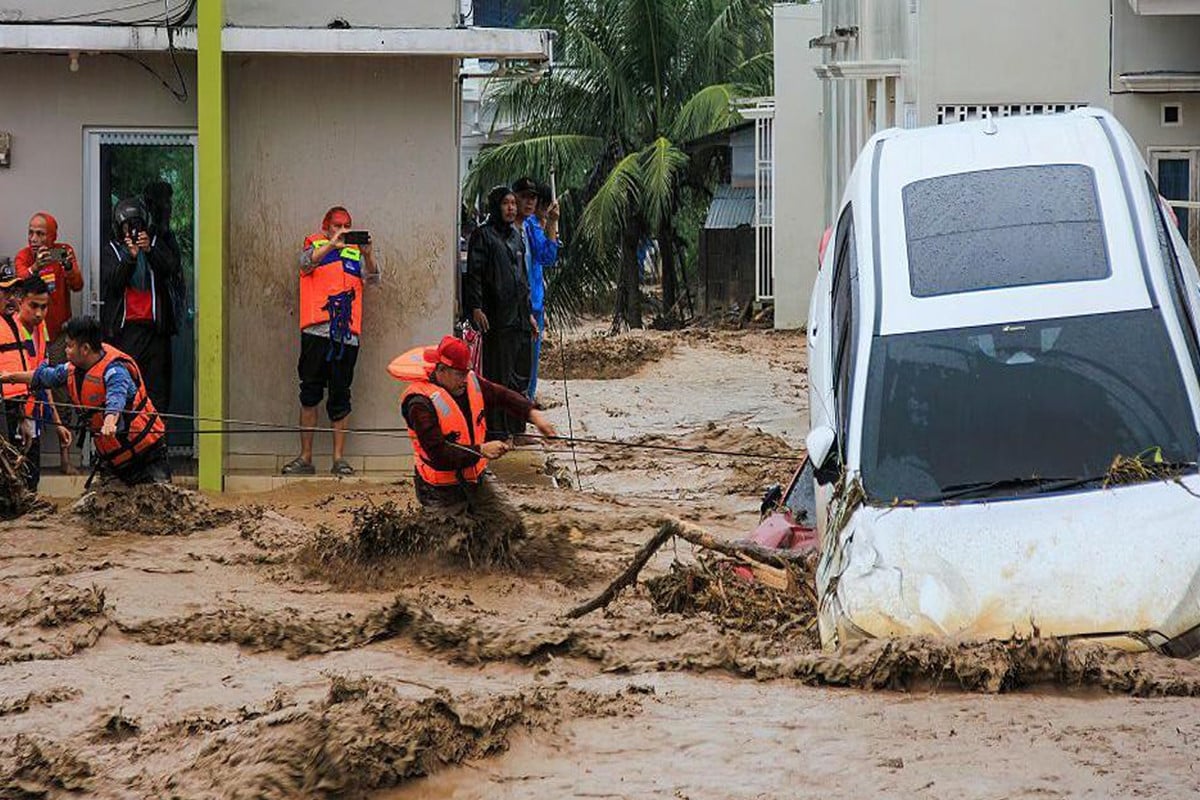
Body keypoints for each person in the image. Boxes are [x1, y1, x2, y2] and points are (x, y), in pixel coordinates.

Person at [389, 335, 556, 527]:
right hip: (438, 489)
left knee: (510, 524)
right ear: (441, 370)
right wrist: (481, 450)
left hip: (475, 477)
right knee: (457, 539)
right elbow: (438, 454)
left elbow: (502, 395)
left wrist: (533, 414)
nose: (465, 380)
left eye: (466, 372)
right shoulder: (419, 404)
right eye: (459, 374)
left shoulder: (469, 382)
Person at [0, 315, 170, 487]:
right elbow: (43, 376)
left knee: (160, 499)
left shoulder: (115, 370)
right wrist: (9, 377)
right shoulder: (71, 369)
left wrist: (110, 420)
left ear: (85, 349)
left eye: (69, 346)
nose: (65, 350)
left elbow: (116, 396)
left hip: (147, 457)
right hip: (115, 462)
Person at [282, 206, 379, 476]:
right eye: (337, 225)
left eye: (347, 225)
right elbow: (304, 264)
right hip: (316, 332)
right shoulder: (314, 245)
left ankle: (339, 459)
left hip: (346, 336)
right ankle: (305, 458)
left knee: (340, 395)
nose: (343, 229)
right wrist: (331, 245)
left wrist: (368, 255)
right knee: (309, 393)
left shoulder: (354, 252)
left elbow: (373, 279)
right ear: (326, 226)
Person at [463, 185, 538, 440]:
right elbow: (474, 274)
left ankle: (517, 427)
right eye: (506, 203)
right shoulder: (483, 236)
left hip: (519, 318)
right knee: (498, 376)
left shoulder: (517, 237)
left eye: (513, 204)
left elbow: (523, 278)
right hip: (497, 318)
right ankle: (496, 430)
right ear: (496, 206)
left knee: (520, 376)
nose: (511, 208)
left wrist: (529, 314)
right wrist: (476, 307)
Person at [99, 196, 184, 416]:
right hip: (125, 332)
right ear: (119, 227)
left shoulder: (154, 244)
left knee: (157, 391)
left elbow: (172, 268)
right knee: (127, 387)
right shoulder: (112, 251)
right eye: (128, 226)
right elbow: (114, 283)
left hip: (155, 332)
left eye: (137, 225)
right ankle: (127, 434)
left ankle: (157, 434)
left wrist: (150, 250)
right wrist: (130, 257)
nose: (133, 231)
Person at [15, 212, 84, 474]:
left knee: (62, 394)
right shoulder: (24, 256)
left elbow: (78, 285)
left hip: (58, 338)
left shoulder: (63, 252)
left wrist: (68, 267)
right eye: (31, 232)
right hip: (28, 335)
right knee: (28, 392)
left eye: (40, 234)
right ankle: (28, 461)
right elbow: (19, 284)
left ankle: (65, 459)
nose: (34, 238)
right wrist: (35, 267)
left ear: (52, 236)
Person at [0, 278, 68, 490]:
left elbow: (42, 379)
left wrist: (57, 423)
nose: (39, 313)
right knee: (11, 479)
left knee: (31, 478)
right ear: (22, 302)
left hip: (31, 413)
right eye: (34, 306)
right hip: (11, 411)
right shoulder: (11, 327)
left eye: (44, 307)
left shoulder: (40, 329)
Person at [513, 178, 561, 401]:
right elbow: (546, 256)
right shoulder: (530, 226)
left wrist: (550, 225)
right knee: (525, 362)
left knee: (531, 361)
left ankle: (526, 401)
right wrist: (550, 225)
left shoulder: (533, 226)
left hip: (534, 303)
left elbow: (547, 257)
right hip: (526, 303)